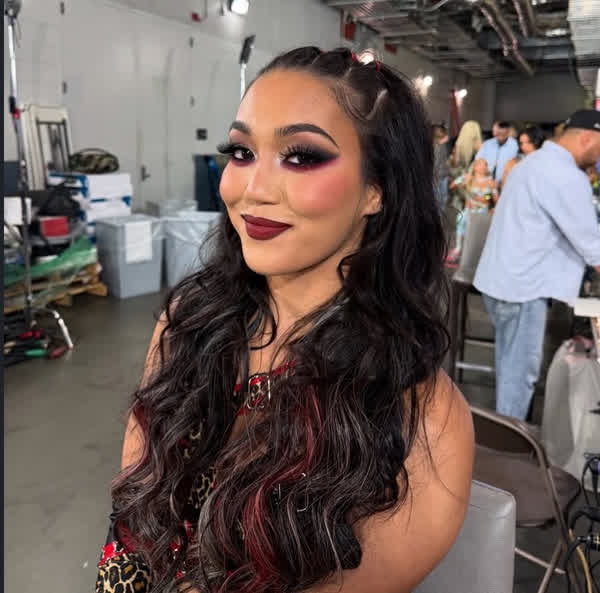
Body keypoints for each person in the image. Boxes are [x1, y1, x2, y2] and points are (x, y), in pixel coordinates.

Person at [96, 47, 474, 593]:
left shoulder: (425, 419)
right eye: (242, 152)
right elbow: (134, 518)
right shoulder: (189, 325)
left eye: (300, 157)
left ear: (377, 189)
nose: (253, 189)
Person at [473, 109, 600, 420]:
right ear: (587, 138)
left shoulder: (535, 162)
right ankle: (508, 445)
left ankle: (504, 434)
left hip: (505, 282)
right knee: (518, 380)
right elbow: (593, 246)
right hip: (522, 289)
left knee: (510, 372)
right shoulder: (564, 175)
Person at [447, 158, 497, 262]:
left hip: (482, 211)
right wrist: (463, 183)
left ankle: (470, 254)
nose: (484, 167)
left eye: (485, 165)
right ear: (475, 167)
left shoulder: (491, 182)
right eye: (481, 164)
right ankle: (458, 249)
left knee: (474, 233)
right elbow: (452, 186)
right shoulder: (469, 178)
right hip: (469, 209)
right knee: (460, 221)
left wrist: (486, 199)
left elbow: (495, 198)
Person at [500, 125, 546, 190]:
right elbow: (505, 187)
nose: (524, 147)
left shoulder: (547, 162)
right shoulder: (514, 163)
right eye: (521, 143)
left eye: (528, 142)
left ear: (537, 141)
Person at [475, 120, 519, 186]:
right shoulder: (487, 144)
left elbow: (514, 164)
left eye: (503, 134)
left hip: (505, 182)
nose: (500, 137)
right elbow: (478, 160)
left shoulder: (514, 145)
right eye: (498, 134)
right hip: (486, 181)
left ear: (508, 132)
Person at [432, 123, 450, 211]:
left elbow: (443, 161)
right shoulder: (436, 149)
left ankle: (440, 213)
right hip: (438, 178)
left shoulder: (442, 146)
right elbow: (435, 166)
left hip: (443, 176)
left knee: (443, 198)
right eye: (445, 136)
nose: (448, 137)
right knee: (439, 199)